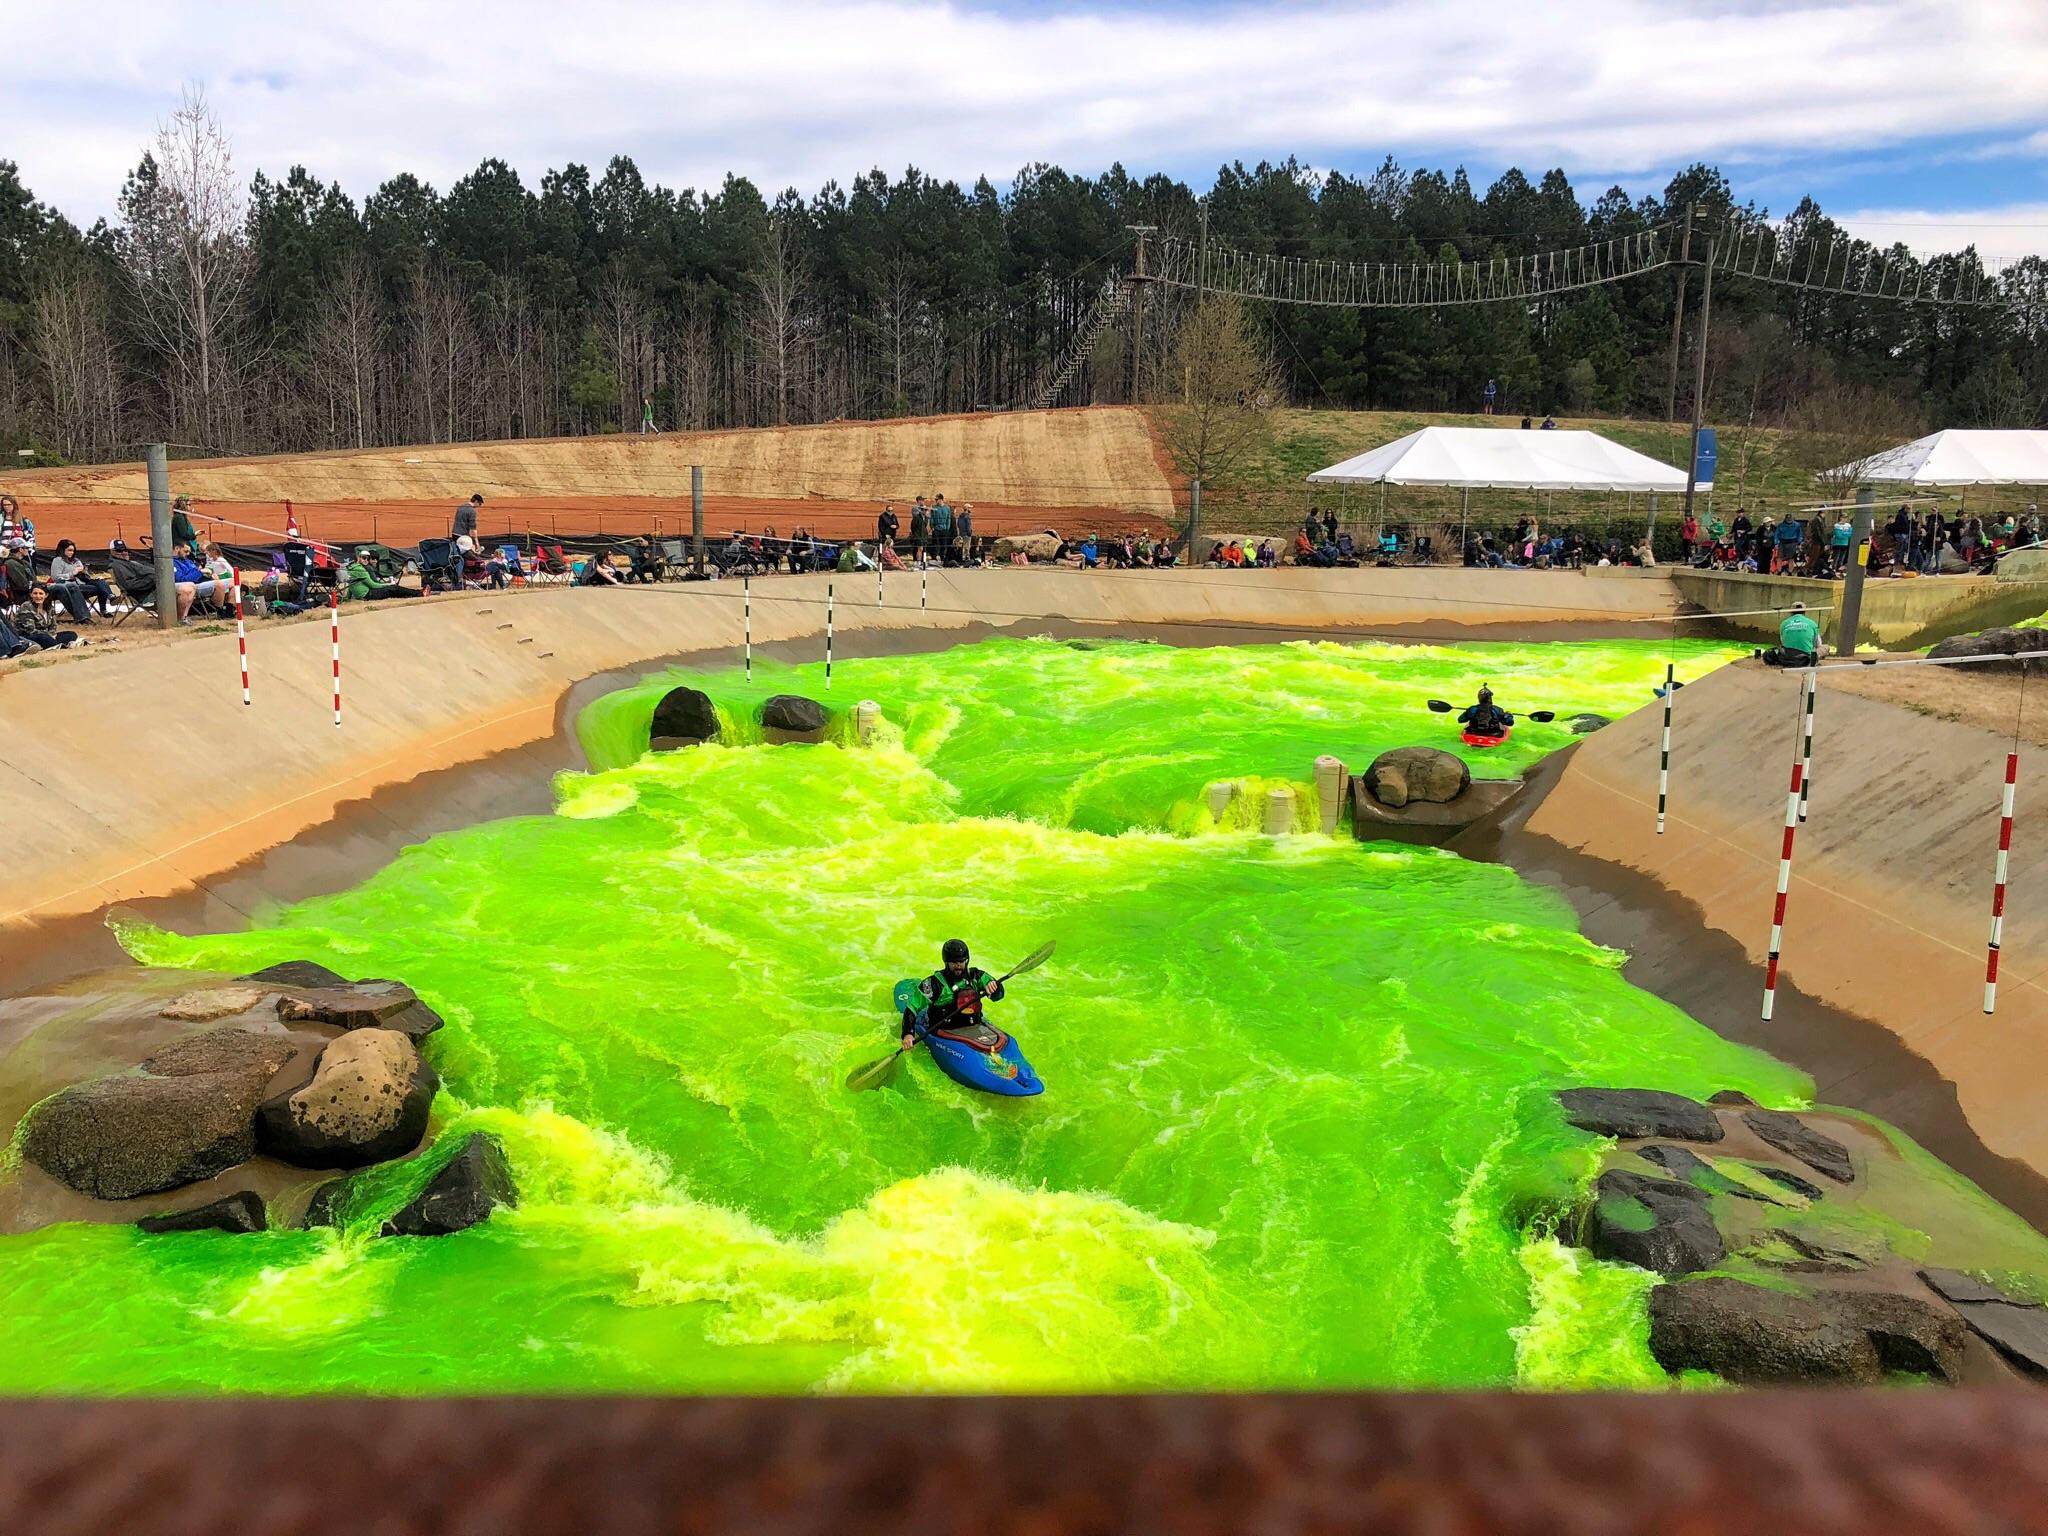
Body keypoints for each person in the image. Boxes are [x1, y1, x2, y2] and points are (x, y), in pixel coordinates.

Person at [904, 939, 1008, 1052]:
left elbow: (998, 996)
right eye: (954, 962)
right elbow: (912, 1008)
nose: (958, 965)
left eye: (961, 961)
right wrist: (908, 1034)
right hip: (945, 1029)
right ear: (947, 962)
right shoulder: (934, 984)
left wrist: (995, 989)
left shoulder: (977, 976)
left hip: (974, 1024)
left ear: (966, 961)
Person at [47, 540, 108, 622]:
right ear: (62, 550)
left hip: (81, 584)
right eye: (69, 550)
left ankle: (109, 600)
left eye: (73, 550)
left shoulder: (76, 560)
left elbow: (85, 577)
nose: (71, 553)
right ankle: (85, 616)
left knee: (101, 582)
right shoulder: (58, 560)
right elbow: (55, 577)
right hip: (68, 587)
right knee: (100, 588)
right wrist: (72, 573)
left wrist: (83, 571)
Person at [9, 585, 80, 650]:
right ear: (31, 595)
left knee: (71, 634)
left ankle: (54, 644)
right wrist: (48, 635)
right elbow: (30, 630)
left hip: (47, 636)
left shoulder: (50, 607)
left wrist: (52, 635)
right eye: (35, 593)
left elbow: (53, 626)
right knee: (43, 638)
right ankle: (61, 645)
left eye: (41, 593)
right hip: (28, 636)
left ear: (46, 595)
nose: (38, 596)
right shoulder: (26, 607)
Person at [1763, 602, 1822, 667]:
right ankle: (1813, 661)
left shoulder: (1784, 623)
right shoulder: (1812, 623)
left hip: (1786, 658)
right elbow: (1818, 644)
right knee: (1825, 648)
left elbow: (1783, 642)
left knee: (1769, 653)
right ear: (1805, 611)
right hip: (1805, 659)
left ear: (1791, 612)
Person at [929, 494, 955, 563]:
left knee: (943, 545)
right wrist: (932, 527)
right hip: (936, 528)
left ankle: (942, 558)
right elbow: (931, 518)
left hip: (944, 529)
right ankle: (934, 558)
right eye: (936, 500)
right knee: (935, 544)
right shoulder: (934, 508)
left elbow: (948, 518)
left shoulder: (947, 508)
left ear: (941, 500)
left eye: (937, 499)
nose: (936, 501)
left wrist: (947, 527)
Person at [908, 498, 929, 565]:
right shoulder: (917, 517)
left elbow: (925, 526)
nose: (925, 511)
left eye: (926, 510)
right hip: (918, 535)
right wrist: (916, 535)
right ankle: (918, 561)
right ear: (921, 510)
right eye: (924, 510)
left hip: (924, 535)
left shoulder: (926, 518)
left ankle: (923, 561)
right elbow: (913, 527)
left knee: (924, 549)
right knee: (919, 549)